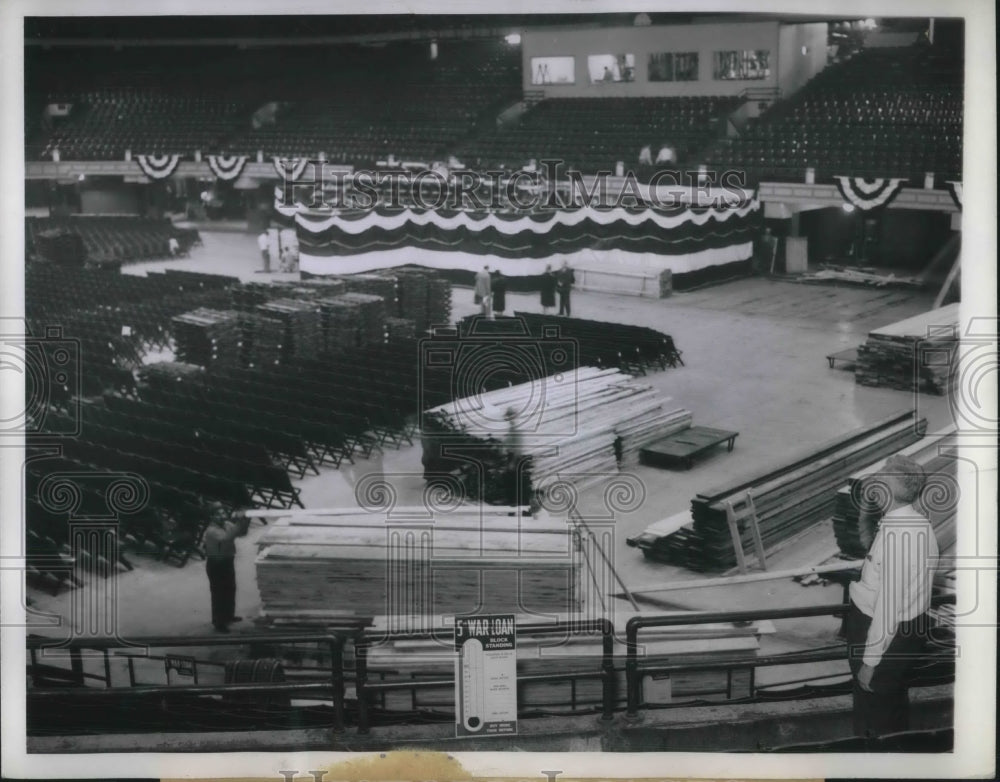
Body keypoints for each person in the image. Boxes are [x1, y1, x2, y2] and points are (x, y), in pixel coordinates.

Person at [846, 454, 939, 740]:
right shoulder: (917, 524)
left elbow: (887, 607)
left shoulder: (899, 537)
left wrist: (869, 663)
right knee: (893, 706)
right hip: (908, 631)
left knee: (873, 714)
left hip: (884, 635)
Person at [202, 507, 251, 632]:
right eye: (218, 514)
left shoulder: (227, 524)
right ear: (212, 517)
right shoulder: (211, 530)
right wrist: (239, 522)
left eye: (222, 512)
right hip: (216, 563)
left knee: (230, 588)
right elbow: (227, 538)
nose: (222, 515)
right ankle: (219, 623)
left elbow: (241, 533)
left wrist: (245, 520)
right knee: (219, 593)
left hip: (227, 560)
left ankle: (229, 616)